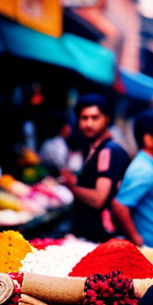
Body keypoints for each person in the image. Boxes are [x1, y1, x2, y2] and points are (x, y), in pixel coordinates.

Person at [60, 95, 130, 242]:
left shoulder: (106, 152)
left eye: (95, 117)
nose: (89, 124)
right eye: (84, 118)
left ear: (107, 118)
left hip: (98, 238)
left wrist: (71, 187)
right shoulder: (95, 149)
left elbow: (99, 198)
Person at [112, 110, 153, 247]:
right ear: (148, 140)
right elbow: (119, 206)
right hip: (150, 250)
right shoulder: (143, 169)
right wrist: (138, 241)